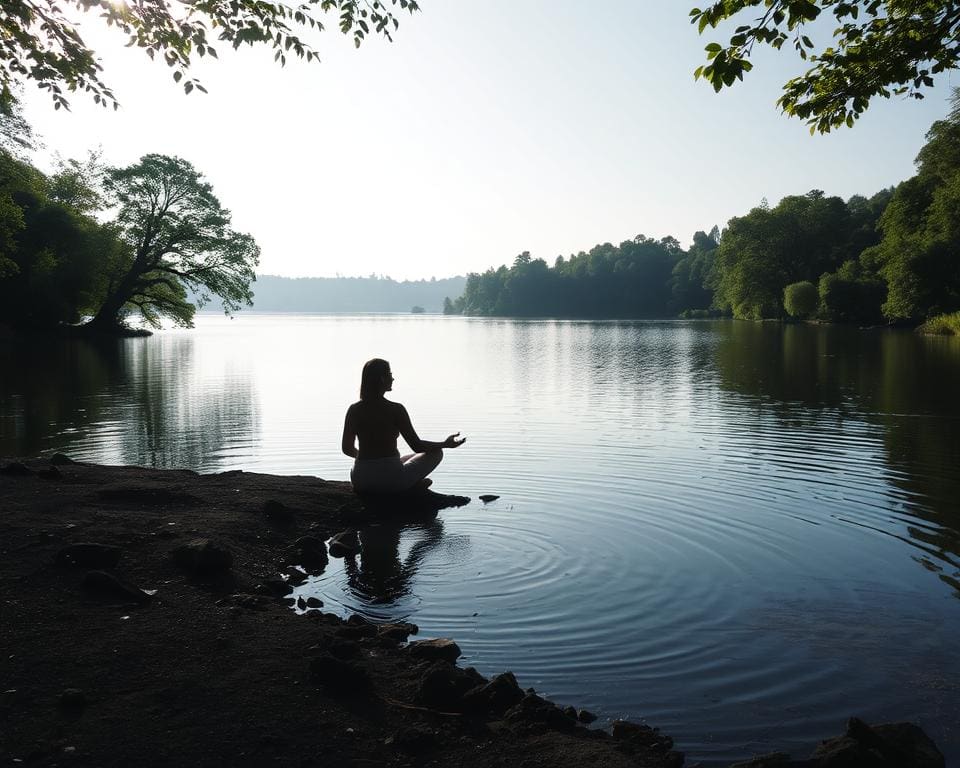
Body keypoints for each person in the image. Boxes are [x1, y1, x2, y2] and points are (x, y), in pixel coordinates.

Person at [342, 358, 466, 494]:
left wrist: (368, 460)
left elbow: (347, 448)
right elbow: (417, 446)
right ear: (382, 379)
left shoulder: (354, 409)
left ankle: (409, 482)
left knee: (405, 459)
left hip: (360, 479)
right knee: (436, 453)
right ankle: (411, 486)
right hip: (390, 481)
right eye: (390, 374)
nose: (393, 378)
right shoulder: (396, 409)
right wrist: (445, 444)